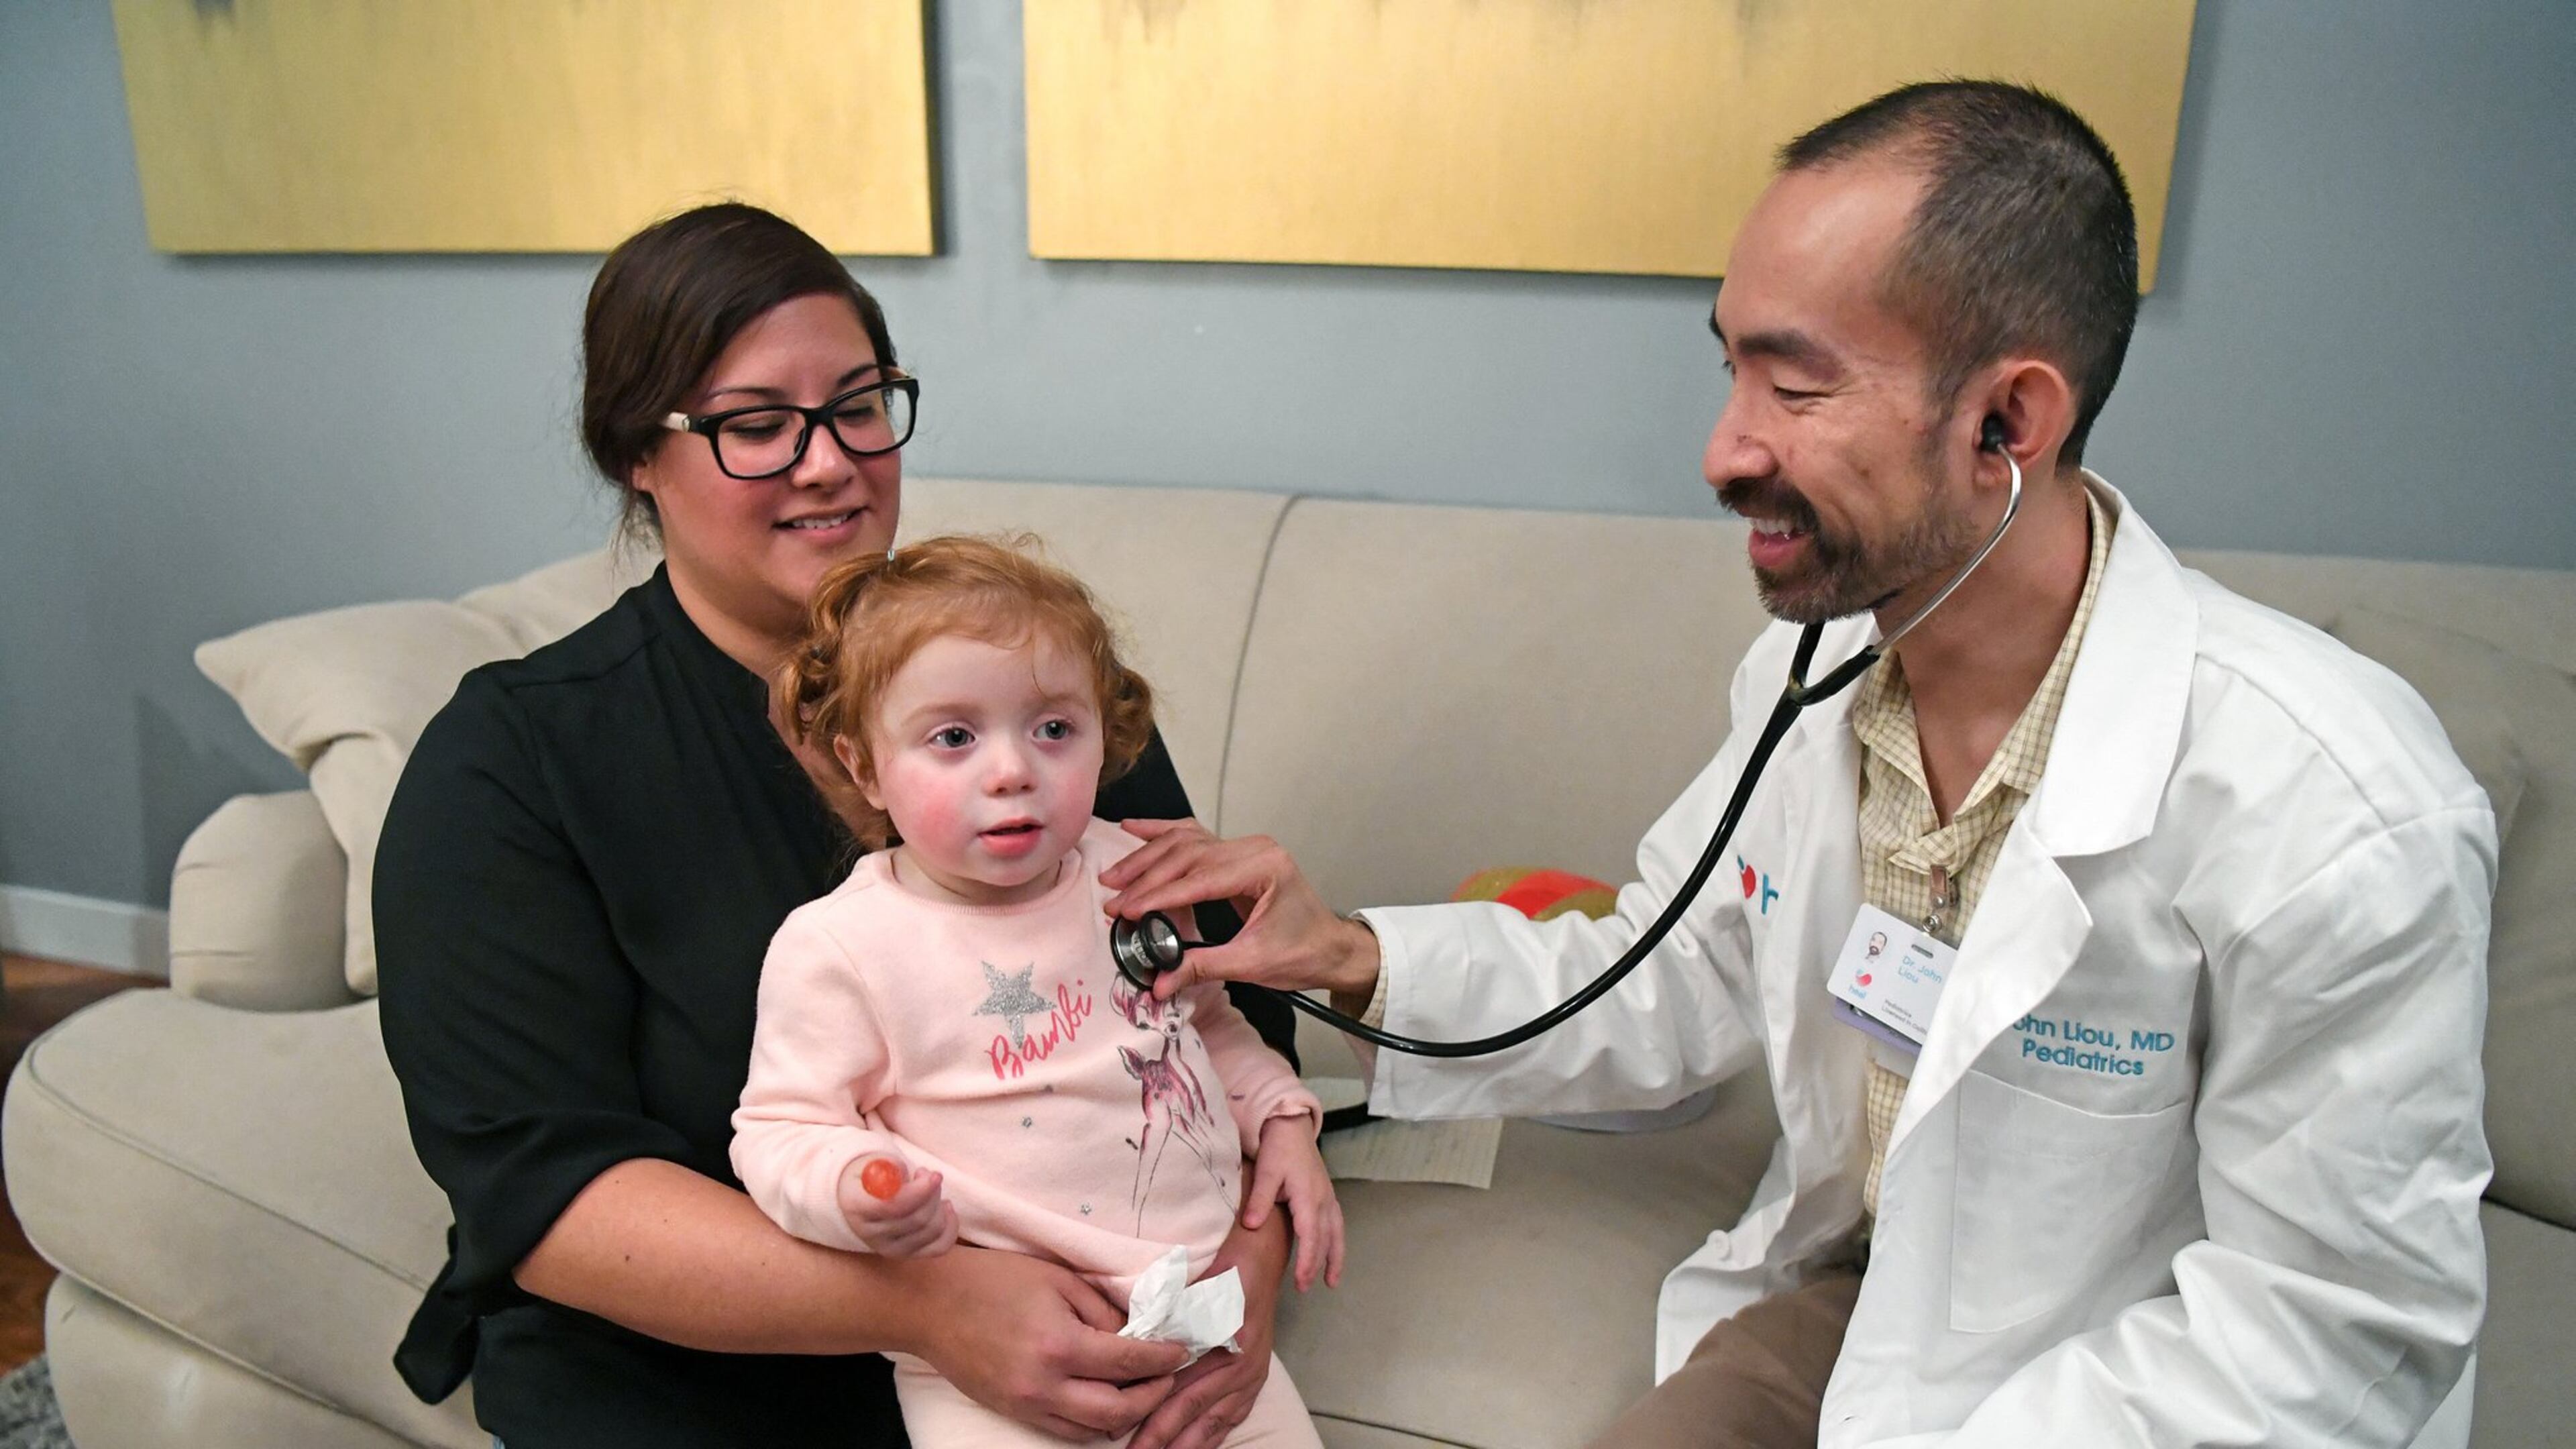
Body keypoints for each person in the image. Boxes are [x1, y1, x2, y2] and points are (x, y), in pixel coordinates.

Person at [1101, 81, 2496, 1448]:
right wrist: (1346, 956)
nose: (1724, 450)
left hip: (2141, 1383)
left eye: (1799, 385)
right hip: (1864, 1316)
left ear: (2008, 423)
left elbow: (2325, 1327)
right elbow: (1673, 973)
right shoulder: (1816, 675)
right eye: (1732, 370)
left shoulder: (2332, 807)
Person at [375, 203, 1304, 1449]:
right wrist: (930, 1306)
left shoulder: (1028, 687)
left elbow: (1218, 1014)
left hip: (1114, 1361)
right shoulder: (514, 761)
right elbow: (538, 1189)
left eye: (859, 406)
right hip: (690, 1393)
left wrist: (1244, 1276)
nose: (828, 464)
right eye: (756, 425)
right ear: (636, 454)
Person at [732, 535, 1341, 1448]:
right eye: (954, 738)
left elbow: (1206, 1027)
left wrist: (1284, 1117)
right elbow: (780, 1129)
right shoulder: (844, 947)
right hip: (998, 1371)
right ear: (865, 767)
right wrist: (856, 1187)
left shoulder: (1130, 874)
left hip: (1204, 1324)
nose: (1014, 769)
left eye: (1054, 729)